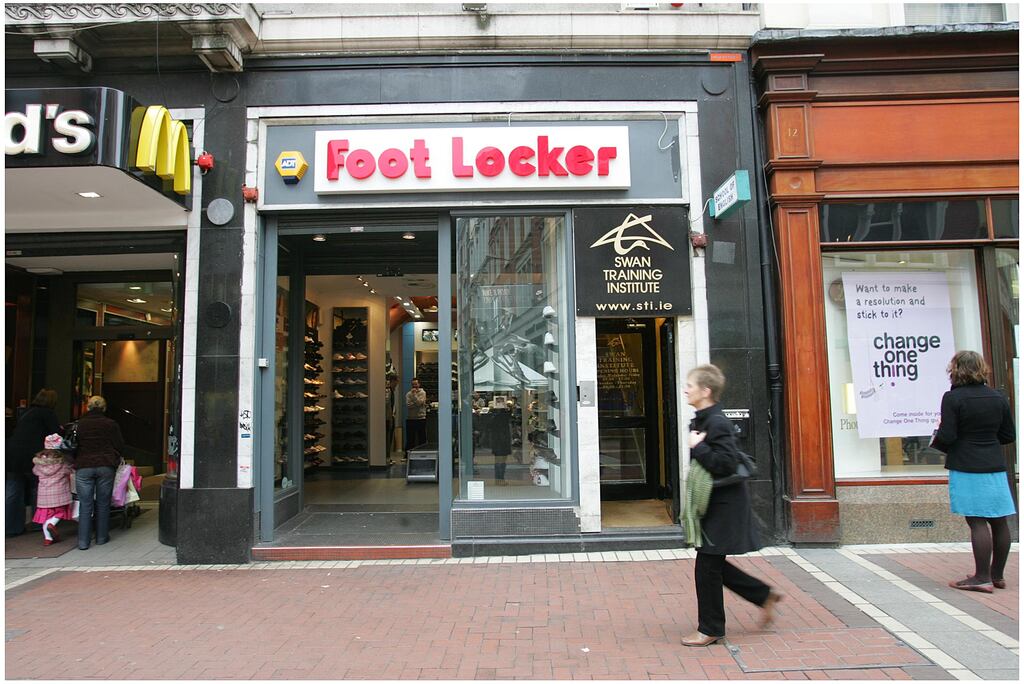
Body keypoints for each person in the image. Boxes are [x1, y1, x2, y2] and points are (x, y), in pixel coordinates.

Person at [681, 364, 781, 647]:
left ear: (706, 391)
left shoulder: (718, 422)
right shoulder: (704, 419)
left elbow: (725, 464)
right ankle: (764, 596)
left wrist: (697, 447)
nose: (686, 389)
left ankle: (710, 628)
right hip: (714, 502)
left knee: (707, 566)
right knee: (713, 565)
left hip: (724, 505)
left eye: (690, 385)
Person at [930, 350, 1016, 593]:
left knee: (977, 521)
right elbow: (1008, 435)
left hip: (967, 465)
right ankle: (996, 575)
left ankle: (981, 577)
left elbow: (948, 435)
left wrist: (937, 440)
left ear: (955, 370)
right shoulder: (997, 397)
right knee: (999, 521)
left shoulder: (953, 398)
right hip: (995, 466)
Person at [6, 389, 60, 536]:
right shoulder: (47, 414)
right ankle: (38, 522)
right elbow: (56, 434)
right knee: (37, 487)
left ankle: (10, 527)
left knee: (12, 490)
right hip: (32, 455)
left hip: (12, 454)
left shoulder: (27, 413)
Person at [74, 395, 124, 551]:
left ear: (88, 407)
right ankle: (102, 537)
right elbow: (120, 444)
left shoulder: (79, 425)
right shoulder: (110, 424)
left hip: (84, 465)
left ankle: (83, 541)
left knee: (85, 504)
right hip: (105, 465)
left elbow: (73, 446)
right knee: (103, 503)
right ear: (103, 408)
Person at [31, 434, 74, 546]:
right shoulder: (62, 463)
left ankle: (48, 538)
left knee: (46, 516)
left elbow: (35, 472)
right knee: (60, 511)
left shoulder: (39, 463)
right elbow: (69, 471)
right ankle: (52, 524)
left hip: (44, 494)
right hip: (59, 493)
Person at [405, 378, 428, 451]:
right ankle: (408, 455)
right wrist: (418, 404)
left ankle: (422, 453)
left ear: (419, 384)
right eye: (413, 384)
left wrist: (414, 396)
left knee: (422, 438)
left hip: (421, 418)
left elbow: (419, 403)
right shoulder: (408, 394)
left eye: (416, 384)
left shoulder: (423, 393)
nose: (414, 386)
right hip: (411, 419)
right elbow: (408, 405)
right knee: (410, 439)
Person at [385, 373, 398, 460]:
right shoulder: (388, 391)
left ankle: (387, 457)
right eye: (396, 381)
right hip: (388, 418)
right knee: (387, 438)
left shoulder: (392, 391)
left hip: (391, 417)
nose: (397, 383)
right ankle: (386, 457)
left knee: (389, 437)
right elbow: (386, 403)